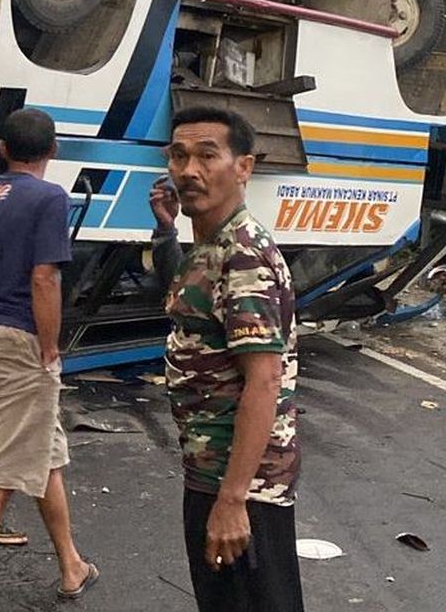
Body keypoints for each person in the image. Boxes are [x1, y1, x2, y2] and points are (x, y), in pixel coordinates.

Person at [148, 106, 303, 612]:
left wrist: (233, 500)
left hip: (242, 485)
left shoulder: (244, 254)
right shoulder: (211, 244)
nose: (189, 170)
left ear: (243, 168)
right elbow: (188, 301)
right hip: (212, 472)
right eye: (179, 156)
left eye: (206, 156)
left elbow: (264, 381)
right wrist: (166, 231)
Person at [0, 107, 97, 612]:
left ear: (2, 150)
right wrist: (49, 346)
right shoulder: (51, 198)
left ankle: (72, 565)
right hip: (23, 342)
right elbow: (44, 277)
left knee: (43, 455)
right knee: (4, 472)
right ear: (53, 150)